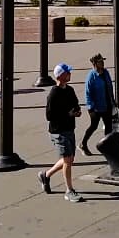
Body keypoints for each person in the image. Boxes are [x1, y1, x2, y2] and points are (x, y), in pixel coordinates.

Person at [38, 63, 85, 202]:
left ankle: (46, 175)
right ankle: (69, 190)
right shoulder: (54, 94)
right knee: (67, 159)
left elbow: (75, 103)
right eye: (67, 72)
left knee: (69, 159)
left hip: (70, 129)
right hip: (58, 131)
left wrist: (76, 112)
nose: (70, 74)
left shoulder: (69, 90)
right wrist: (67, 114)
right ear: (60, 76)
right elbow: (49, 116)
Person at [81, 53, 116, 155]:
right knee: (94, 126)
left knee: (108, 126)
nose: (103, 63)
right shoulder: (91, 76)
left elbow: (110, 87)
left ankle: (107, 147)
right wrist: (91, 107)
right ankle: (83, 143)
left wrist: (113, 101)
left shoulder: (106, 73)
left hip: (107, 104)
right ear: (95, 64)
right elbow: (88, 93)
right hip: (95, 107)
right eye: (100, 62)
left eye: (103, 61)